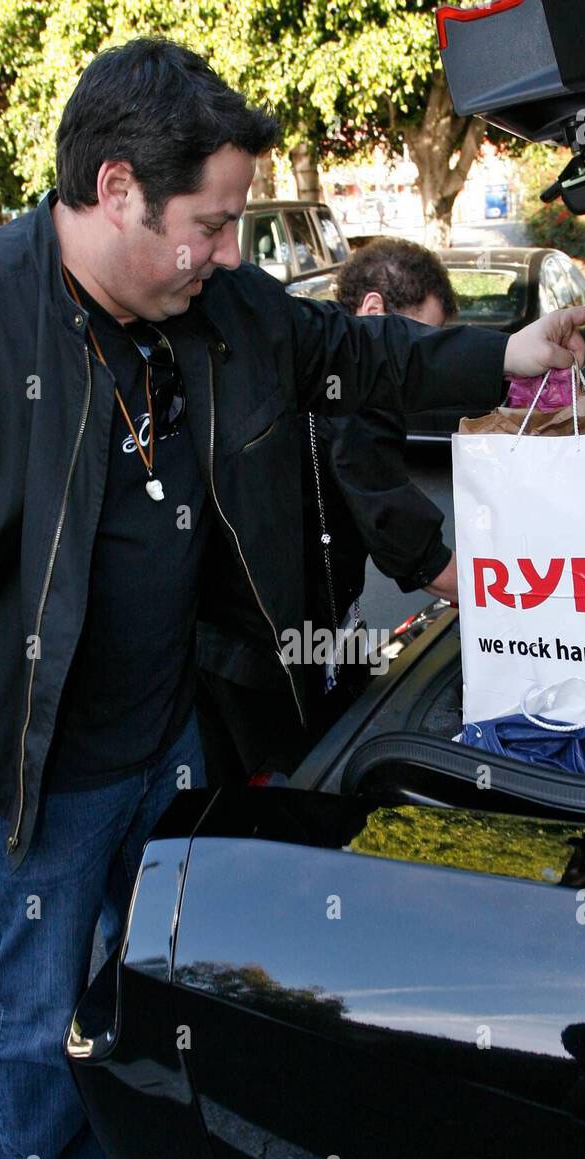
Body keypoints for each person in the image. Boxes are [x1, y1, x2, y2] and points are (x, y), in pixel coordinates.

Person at [0, 37, 585, 1159]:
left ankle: (144, 1132)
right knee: (33, 988)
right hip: (28, 757)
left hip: (177, 722)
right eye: (210, 224)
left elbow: (361, 356)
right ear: (116, 190)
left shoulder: (215, 304)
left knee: (151, 961)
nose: (230, 253)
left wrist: (508, 352)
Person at [197, 237, 462, 782]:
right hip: (273, 654)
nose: (419, 365)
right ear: (373, 312)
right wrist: (530, 599)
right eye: (418, 341)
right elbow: (410, 545)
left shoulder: (287, 362)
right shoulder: (356, 389)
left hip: (232, 642)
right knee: (303, 791)